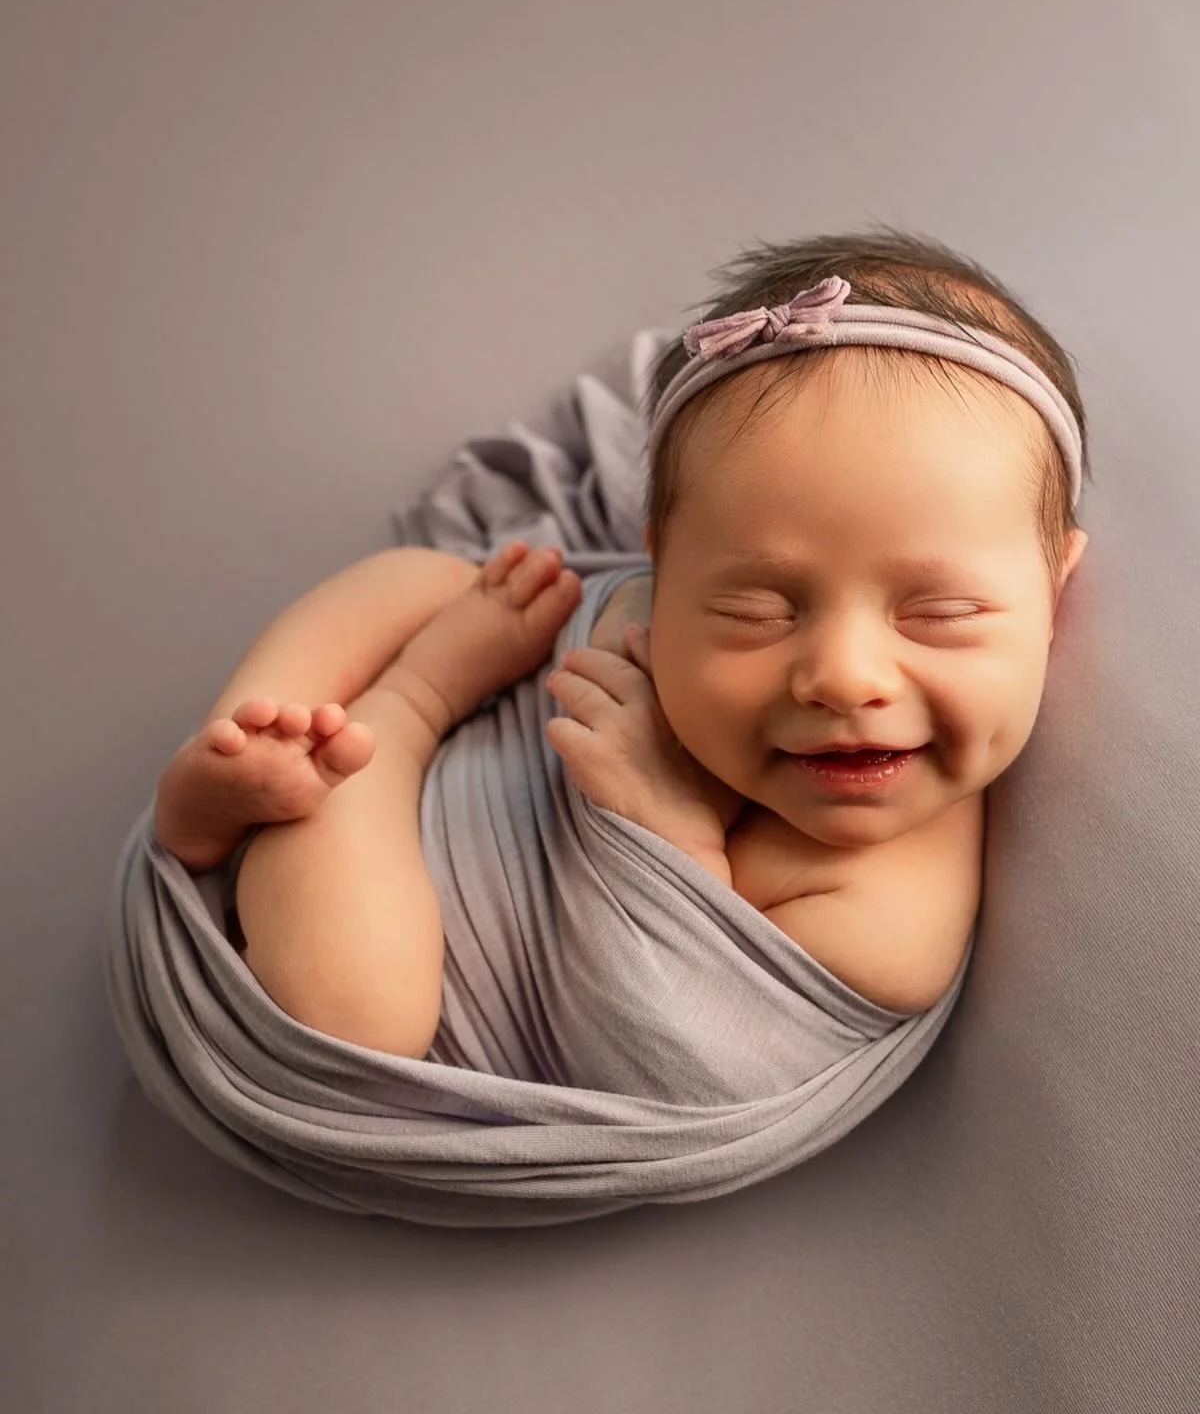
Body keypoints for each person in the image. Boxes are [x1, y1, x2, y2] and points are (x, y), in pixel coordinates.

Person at [151, 229, 1089, 1056]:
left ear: (1053, 586)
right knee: (419, 579)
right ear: (664, 564)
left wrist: (667, 828)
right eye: (756, 608)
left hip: (418, 954)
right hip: (444, 728)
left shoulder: (894, 921)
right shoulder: (638, 601)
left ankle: (385, 725)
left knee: (360, 1017)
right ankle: (236, 755)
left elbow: (659, 1043)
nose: (844, 676)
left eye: (939, 614)